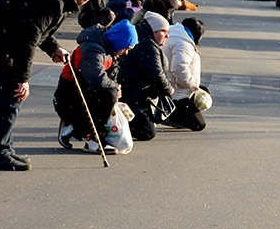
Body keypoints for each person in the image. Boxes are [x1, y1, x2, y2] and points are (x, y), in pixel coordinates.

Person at [0, 0, 101, 171]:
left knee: (4, 96)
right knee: (10, 94)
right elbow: (27, 39)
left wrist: (54, 48)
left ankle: (3, 149)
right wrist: (23, 79)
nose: (85, 4)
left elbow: (36, 29)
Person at [54, 19, 138, 152]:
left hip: (83, 90)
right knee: (108, 94)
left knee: (110, 93)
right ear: (120, 40)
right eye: (127, 47)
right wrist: (115, 87)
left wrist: (115, 88)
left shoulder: (108, 49)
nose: (126, 52)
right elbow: (97, 80)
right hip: (69, 95)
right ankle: (92, 138)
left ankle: (73, 126)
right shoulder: (92, 50)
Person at [119, 12, 174, 141]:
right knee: (147, 133)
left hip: (136, 92)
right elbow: (155, 73)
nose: (167, 35)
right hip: (133, 94)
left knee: (148, 130)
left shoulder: (147, 41)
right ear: (153, 30)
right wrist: (168, 89)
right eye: (163, 31)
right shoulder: (146, 45)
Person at [161, 17, 210, 131]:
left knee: (205, 91)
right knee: (199, 125)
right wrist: (192, 85)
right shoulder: (183, 44)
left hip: (173, 86)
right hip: (175, 93)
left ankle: (176, 115)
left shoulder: (175, 35)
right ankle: (167, 114)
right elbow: (179, 69)